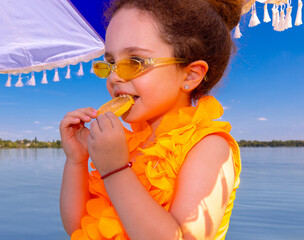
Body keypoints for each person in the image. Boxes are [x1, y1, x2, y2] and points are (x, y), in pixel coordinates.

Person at [59, 0, 242, 239]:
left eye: (134, 62)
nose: (114, 77)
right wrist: (77, 161)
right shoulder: (129, 146)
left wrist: (115, 170)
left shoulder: (209, 148)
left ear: (190, 74)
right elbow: (77, 226)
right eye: (110, 63)